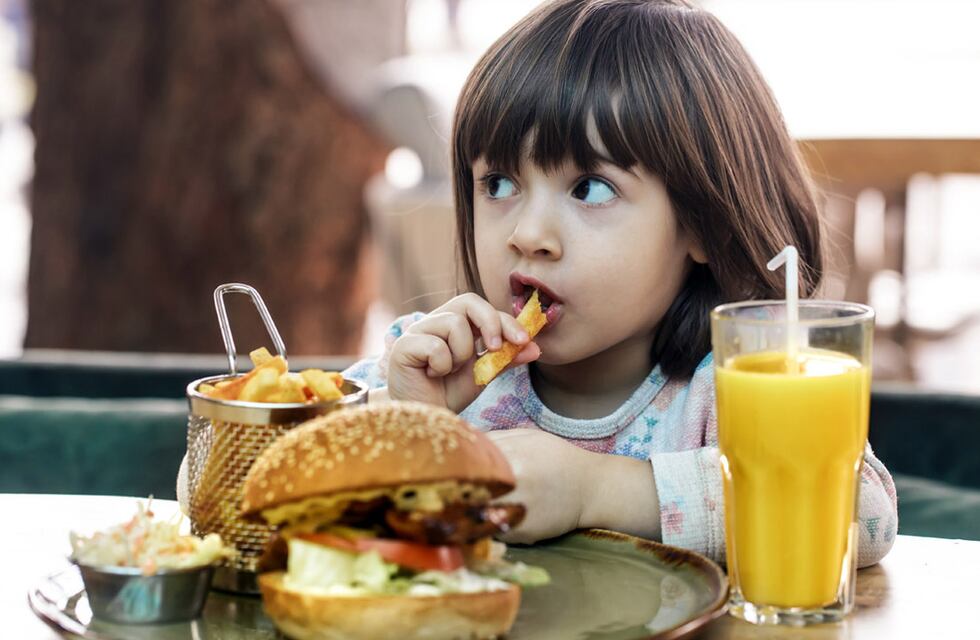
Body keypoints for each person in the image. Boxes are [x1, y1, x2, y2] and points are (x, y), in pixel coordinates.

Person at [345, 0, 897, 566]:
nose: (528, 233)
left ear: (700, 223)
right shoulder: (427, 367)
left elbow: (862, 512)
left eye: (590, 188)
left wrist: (599, 490)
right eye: (500, 182)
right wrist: (403, 422)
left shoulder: (732, 388)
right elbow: (263, 476)